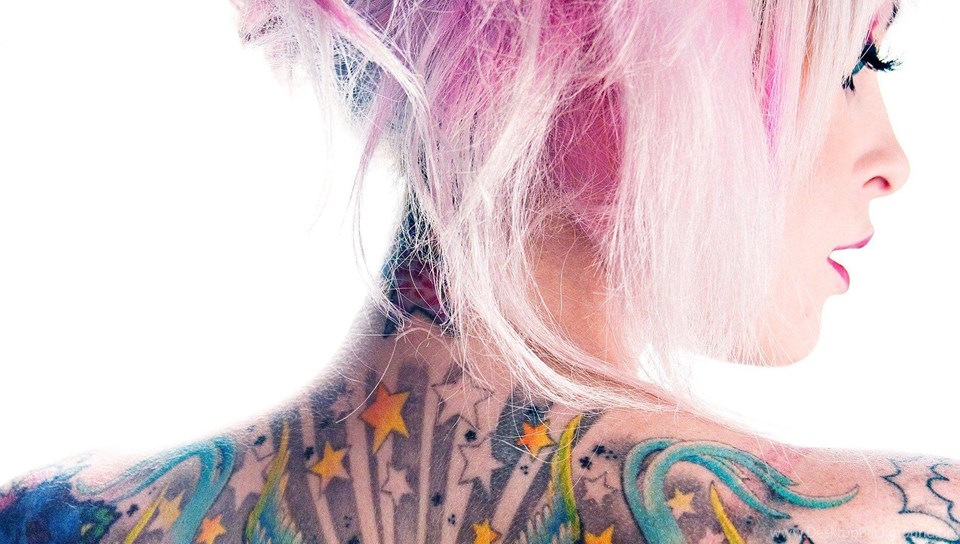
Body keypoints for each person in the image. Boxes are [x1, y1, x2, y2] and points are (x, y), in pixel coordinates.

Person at [0, 0, 949, 542]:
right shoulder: (894, 523)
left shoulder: (60, 519)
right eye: (850, 62)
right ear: (625, 57)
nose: (892, 161)